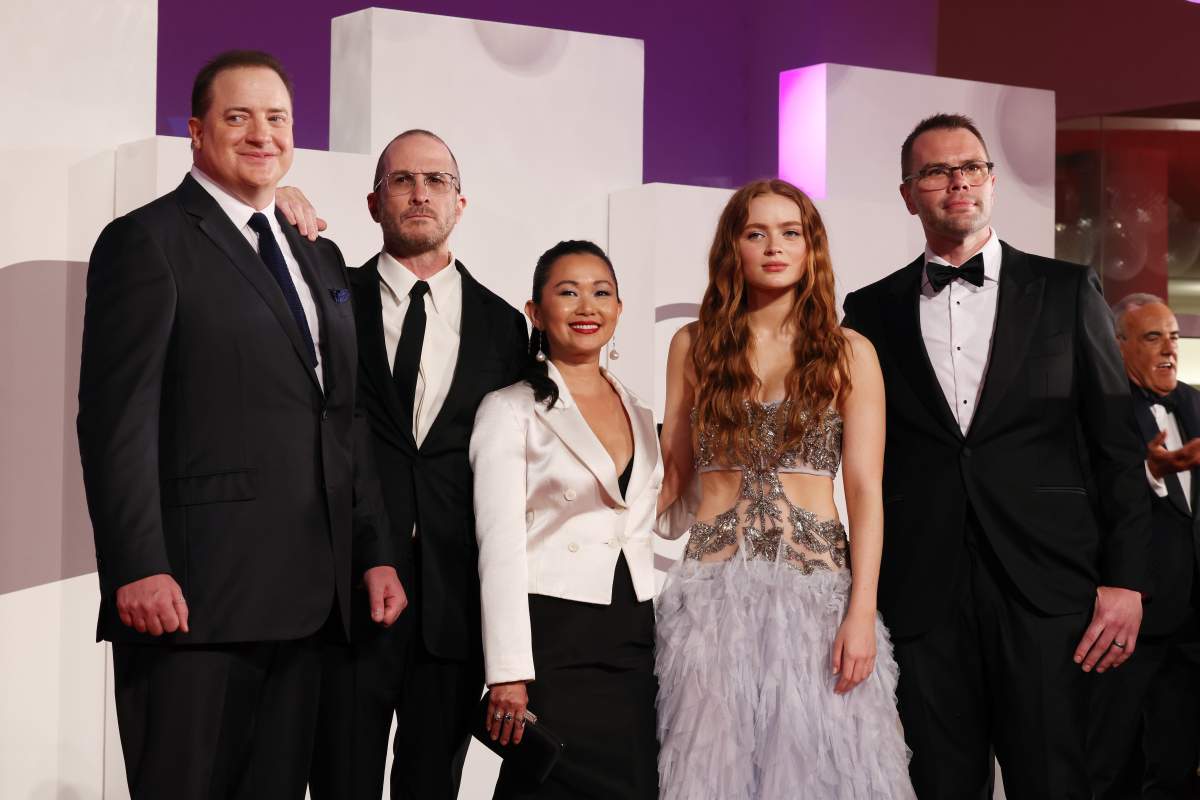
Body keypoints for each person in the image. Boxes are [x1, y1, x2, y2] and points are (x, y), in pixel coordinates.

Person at [76, 50, 404, 800]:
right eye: (238, 117)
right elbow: (114, 419)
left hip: (310, 601)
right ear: (196, 132)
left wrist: (374, 551)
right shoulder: (147, 240)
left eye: (277, 118)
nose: (262, 133)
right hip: (194, 601)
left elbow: (341, 419)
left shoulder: (315, 253)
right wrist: (137, 564)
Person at [840, 113, 1152, 799]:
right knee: (938, 785)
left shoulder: (1069, 292)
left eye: (972, 166)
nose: (958, 180)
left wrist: (1127, 581)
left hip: (1048, 592)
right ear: (907, 193)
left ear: (991, 180)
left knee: (1053, 780)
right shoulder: (868, 312)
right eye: (936, 170)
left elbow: (1118, 451)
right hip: (922, 595)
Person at [654, 179, 915, 799]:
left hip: (818, 599)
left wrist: (860, 611)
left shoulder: (849, 352)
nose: (775, 246)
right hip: (711, 600)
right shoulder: (692, 345)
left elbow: (865, 494)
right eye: (756, 233)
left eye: (790, 232)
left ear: (811, 247)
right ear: (732, 248)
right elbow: (670, 483)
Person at [305, 130, 528, 800]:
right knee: (340, 782)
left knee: (433, 787)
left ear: (461, 201)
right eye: (403, 180)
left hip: (451, 607)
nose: (420, 192)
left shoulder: (502, 325)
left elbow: (508, 476)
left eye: (436, 180)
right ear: (374, 202)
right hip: (344, 597)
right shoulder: (329, 298)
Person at [469, 240, 662, 799]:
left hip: (633, 630)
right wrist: (507, 671)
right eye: (567, 292)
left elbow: (661, 521)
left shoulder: (642, 410)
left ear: (620, 310)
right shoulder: (509, 409)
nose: (587, 306)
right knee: (551, 785)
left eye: (601, 292)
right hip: (553, 637)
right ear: (535, 311)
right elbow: (497, 546)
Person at [1088, 293, 1200, 798]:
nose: (1169, 348)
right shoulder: (1100, 412)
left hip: (1193, 624)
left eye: (1173, 336)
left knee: (1177, 765)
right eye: (1153, 337)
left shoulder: (1196, 403)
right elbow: (1091, 497)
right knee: (1111, 765)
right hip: (1131, 624)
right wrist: (1152, 470)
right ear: (1120, 346)